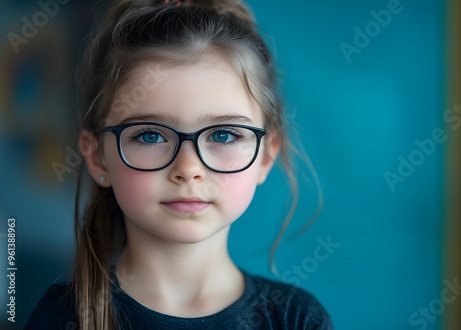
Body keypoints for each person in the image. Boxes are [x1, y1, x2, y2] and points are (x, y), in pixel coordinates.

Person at [25, 0, 334, 329]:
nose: (188, 168)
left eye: (225, 135)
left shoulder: (296, 319)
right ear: (98, 155)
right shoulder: (61, 317)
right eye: (150, 137)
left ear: (266, 156)